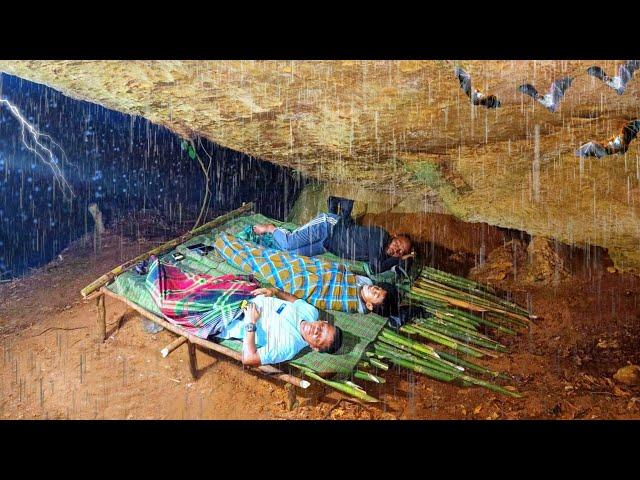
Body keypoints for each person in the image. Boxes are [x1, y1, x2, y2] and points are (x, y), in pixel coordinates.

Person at [214, 231, 398, 316]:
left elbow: (323, 292)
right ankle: (232, 243)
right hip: (308, 266)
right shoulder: (361, 282)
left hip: (302, 281)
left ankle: (224, 244)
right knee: (272, 255)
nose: (375, 288)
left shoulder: (349, 301)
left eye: (375, 294)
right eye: (378, 289)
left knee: (260, 262)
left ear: (370, 306)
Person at [252, 197, 414, 275]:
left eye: (400, 251)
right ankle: (270, 228)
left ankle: (338, 206)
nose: (397, 250)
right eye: (398, 244)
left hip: (326, 244)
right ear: (394, 236)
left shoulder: (380, 254)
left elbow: (381, 266)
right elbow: (375, 268)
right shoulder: (380, 237)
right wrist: (400, 259)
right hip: (327, 226)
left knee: (291, 255)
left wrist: (399, 261)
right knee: (288, 243)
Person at [211, 285, 343, 367]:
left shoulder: (289, 345)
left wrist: (250, 322)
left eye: (318, 338)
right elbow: (292, 299)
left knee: (193, 300)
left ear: (314, 347)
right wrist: (274, 291)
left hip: (230, 318)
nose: (316, 330)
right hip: (245, 293)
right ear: (323, 322)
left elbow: (249, 358)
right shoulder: (311, 312)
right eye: (322, 328)